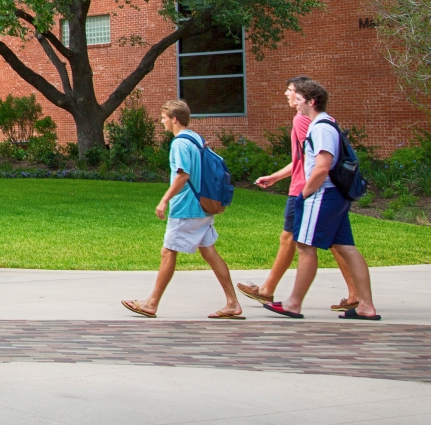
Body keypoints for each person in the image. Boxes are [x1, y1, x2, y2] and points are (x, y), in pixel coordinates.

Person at [237, 77, 359, 312]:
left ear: (306, 99)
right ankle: (356, 296)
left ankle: (272, 292)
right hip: (314, 188)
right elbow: (303, 158)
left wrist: (304, 191)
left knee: (302, 242)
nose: (287, 94)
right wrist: (276, 176)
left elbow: (313, 159)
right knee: (335, 243)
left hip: (309, 189)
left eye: (291, 91)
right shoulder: (317, 120)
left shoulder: (304, 120)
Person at [263, 78, 381, 320]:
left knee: (305, 246)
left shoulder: (321, 127)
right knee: (347, 247)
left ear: (311, 101)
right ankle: (365, 307)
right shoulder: (323, 125)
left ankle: (293, 304)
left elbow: (322, 166)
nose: (295, 102)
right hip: (334, 195)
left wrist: (304, 194)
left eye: (299, 99)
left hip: (323, 194)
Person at [121, 100, 244, 319]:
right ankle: (232, 303)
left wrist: (164, 199)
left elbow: (182, 175)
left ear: (174, 119)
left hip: (187, 207)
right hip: (203, 205)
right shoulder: (195, 138)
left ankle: (151, 303)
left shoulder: (179, 143)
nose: (162, 122)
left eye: (163, 118)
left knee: (168, 252)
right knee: (210, 253)